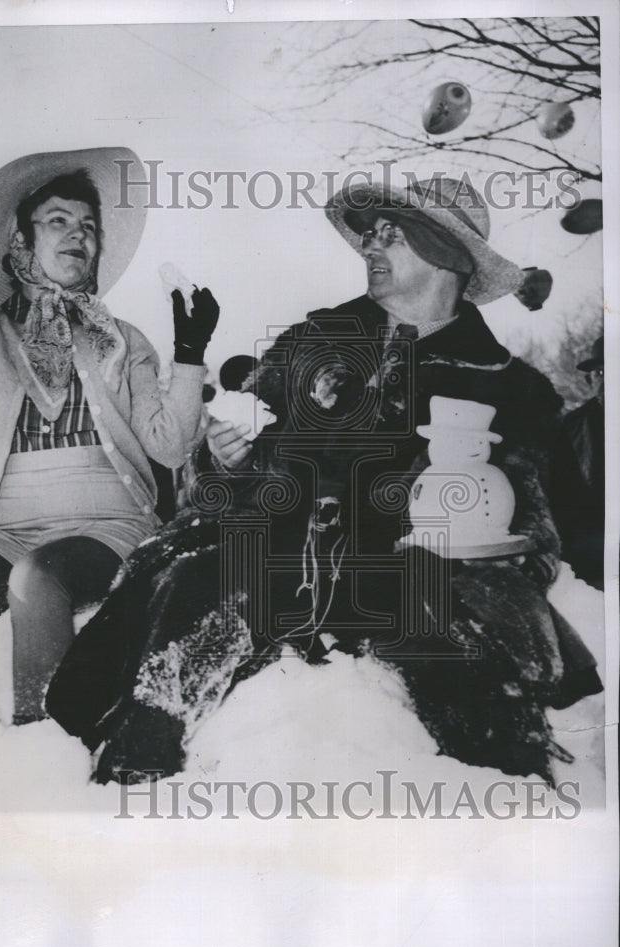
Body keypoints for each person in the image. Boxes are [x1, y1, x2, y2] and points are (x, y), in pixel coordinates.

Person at [46, 174, 602, 783]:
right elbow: (217, 478)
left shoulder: (509, 386)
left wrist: (472, 524)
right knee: (198, 588)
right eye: (370, 232)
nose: (369, 246)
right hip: (273, 554)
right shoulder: (308, 345)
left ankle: (503, 815)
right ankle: (132, 784)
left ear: (448, 254)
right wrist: (224, 458)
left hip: (408, 573)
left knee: (462, 667)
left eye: (392, 234)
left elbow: (547, 529)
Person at [0, 148, 217, 723]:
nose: (78, 235)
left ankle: (47, 747)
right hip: (2, 528)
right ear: (21, 240)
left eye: (88, 226)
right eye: (57, 220)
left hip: (106, 524)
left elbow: (168, 447)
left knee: (38, 579)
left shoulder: (121, 339)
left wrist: (189, 354)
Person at [550, 336, 605, 588]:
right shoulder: (569, 427)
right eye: (602, 372)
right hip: (590, 558)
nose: (608, 380)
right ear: (590, 379)